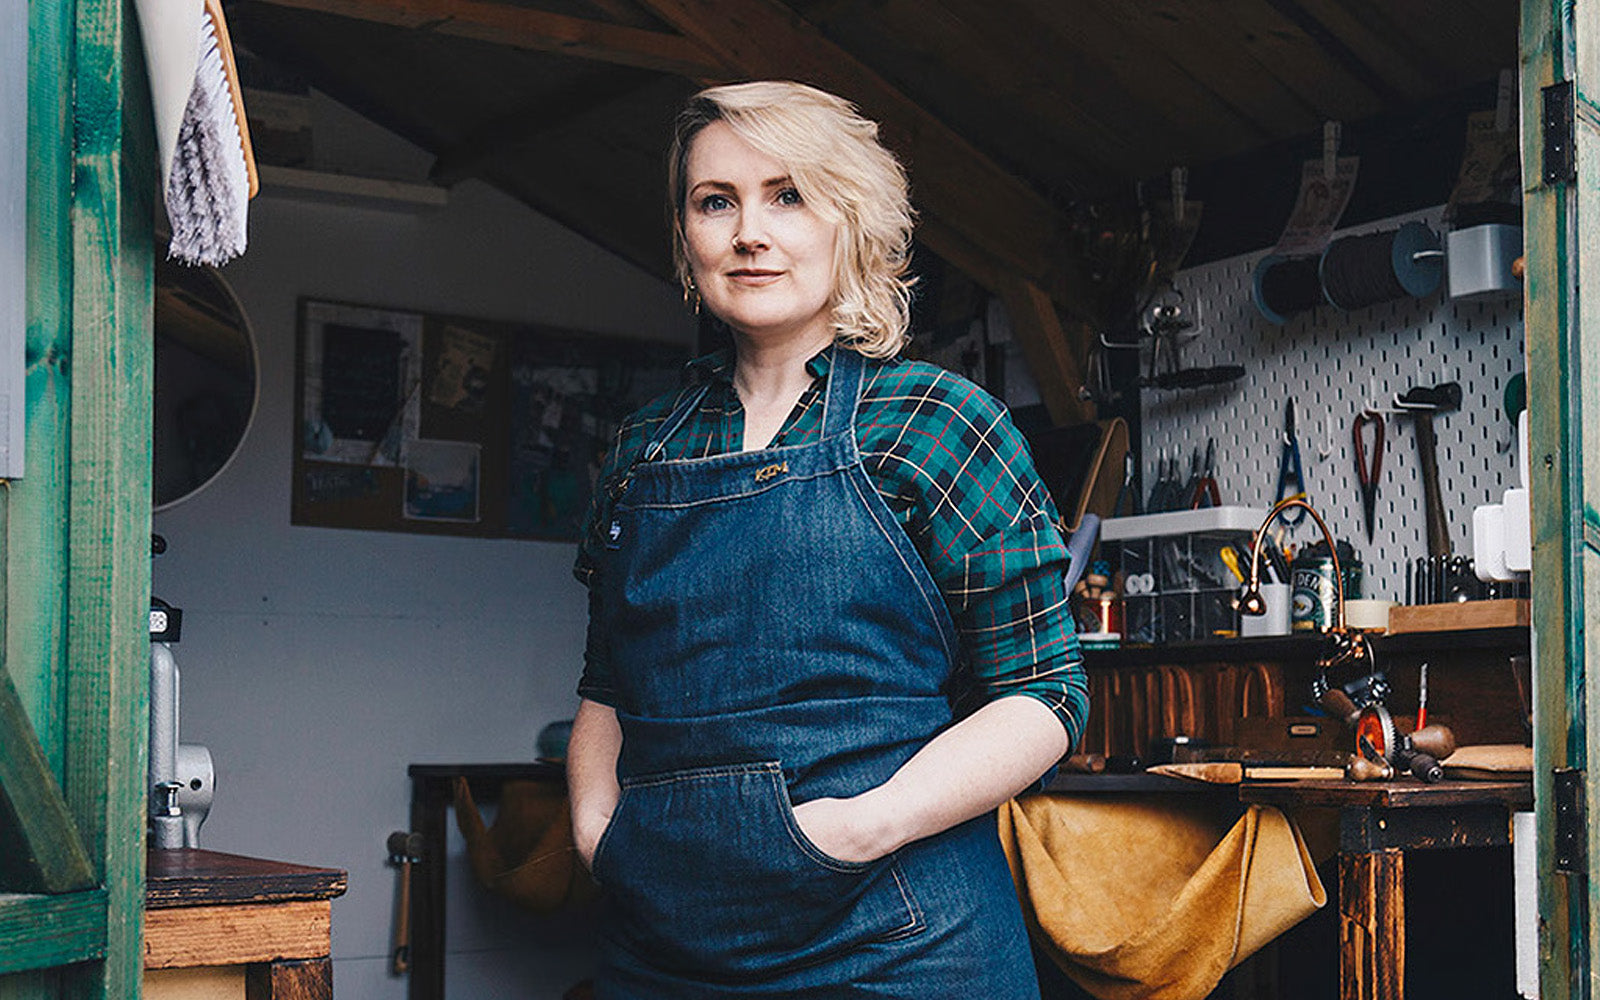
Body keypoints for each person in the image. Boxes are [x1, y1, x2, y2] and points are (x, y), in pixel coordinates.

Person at [568, 80, 1087, 998]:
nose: (749, 233)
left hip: (899, 939)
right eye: (715, 202)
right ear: (686, 236)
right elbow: (609, 684)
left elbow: (1043, 695)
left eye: (788, 196)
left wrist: (861, 828)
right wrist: (595, 830)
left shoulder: (936, 422)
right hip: (663, 946)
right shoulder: (644, 447)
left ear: (852, 221)